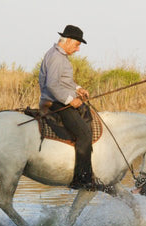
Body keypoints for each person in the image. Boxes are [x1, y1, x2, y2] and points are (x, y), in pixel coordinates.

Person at [39, 24, 96, 190]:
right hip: (55, 104)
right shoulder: (57, 57)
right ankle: (82, 180)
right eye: (77, 45)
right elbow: (52, 85)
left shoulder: (60, 56)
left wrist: (78, 89)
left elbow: (65, 81)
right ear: (69, 40)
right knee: (85, 135)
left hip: (59, 100)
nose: (78, 49)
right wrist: (71, 100)